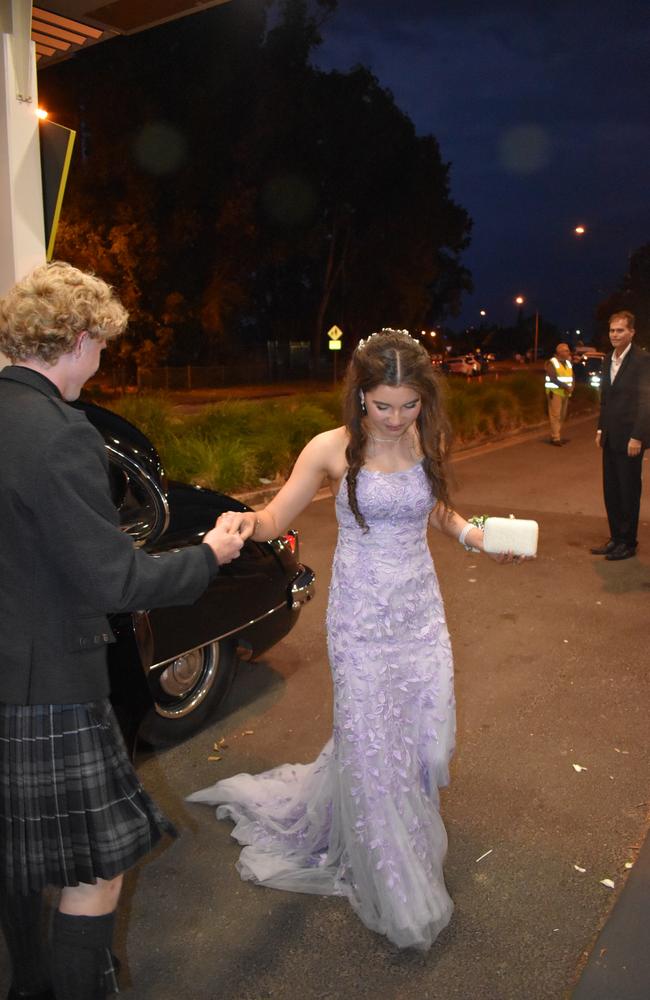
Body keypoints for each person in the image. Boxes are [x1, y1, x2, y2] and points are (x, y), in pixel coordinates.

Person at [188, 328, 521, 951]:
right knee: (372, 740)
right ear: (359, 395)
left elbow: (439, 512)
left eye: (409, 405)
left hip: (419, 613)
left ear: (426, 399)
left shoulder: (430, 438)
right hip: (361, 619)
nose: (396, 419)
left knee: (418, 732)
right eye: (382, 405)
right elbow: (275, 516)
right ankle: (395, 879)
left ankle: (406, 836)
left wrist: (479, 537)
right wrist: (243, 519)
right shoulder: (330, 448)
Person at [0, 262, 243, 1000]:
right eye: (101, 342)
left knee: (14, 861)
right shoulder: (59, 435)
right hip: (48, 688)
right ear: (77, 339)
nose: (103, 356)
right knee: (93, 869)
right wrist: (209, 555)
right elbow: (117, 581)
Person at [590, 311, 650, 561]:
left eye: (620, 330)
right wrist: (600, 428)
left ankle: (628, 542)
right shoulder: (607, 360)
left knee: (628, 491)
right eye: (612, 330)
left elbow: (647, 401)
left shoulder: (641, 360)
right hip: (610, 437)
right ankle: (616, 538)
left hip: (630, 440)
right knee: (611, 490)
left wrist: (638, 436)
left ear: (631, 332)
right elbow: (605, 399)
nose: (614, 334)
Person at [544, 342, 574, 445]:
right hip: (555, 392)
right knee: (555, 415)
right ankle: (555, 437)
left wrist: (571, 387)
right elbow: (552, 378)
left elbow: (572, 377)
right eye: (566, 350)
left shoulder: (568, 363)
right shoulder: (552, 363)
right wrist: (566, 387)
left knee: (562, 415)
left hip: (565, 393)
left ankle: (557, 435)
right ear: (560, 352)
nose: (568, 352)